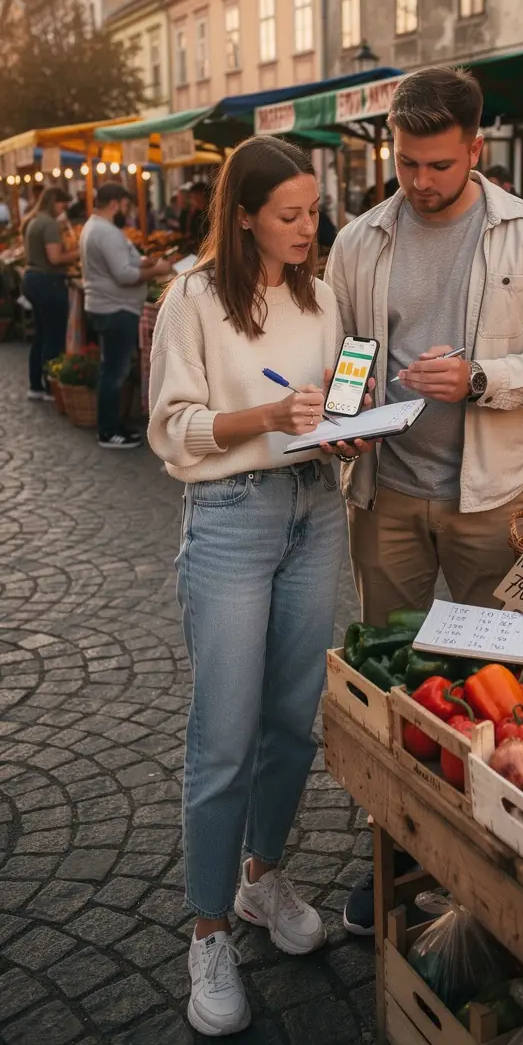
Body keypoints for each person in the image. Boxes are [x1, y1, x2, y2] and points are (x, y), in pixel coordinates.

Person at [326, 65, 523, 934]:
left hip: (491, 497)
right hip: (387, 493)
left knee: (497, 681)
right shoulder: (360, 238)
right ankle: (392, 847)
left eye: (439, 165)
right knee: (391, 681)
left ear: (478, 149)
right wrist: (343, 416)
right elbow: (350, 353)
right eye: (406, 163)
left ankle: (487, 856)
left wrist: (482, 378)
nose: (422, 182)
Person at [147, 136, 372, 1037]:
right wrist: (271, 416)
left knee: (291, 721)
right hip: (232, 517)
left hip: (316, 505)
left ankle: (261, 878)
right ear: (242, 216)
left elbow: (334, 398)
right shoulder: (193, 299)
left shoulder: (320, 297)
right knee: (225, 736)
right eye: (288, 214)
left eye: (313, 211)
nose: (307, 228)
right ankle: (207, 932)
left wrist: (346, 425)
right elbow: (174, 426)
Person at [79, 183, 170, 449]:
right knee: (115, 371)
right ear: (115, 204)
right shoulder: (105, 232)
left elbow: (118, 267)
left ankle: (110, 426)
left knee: (111, 368)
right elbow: (123, 275)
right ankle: (108, 431)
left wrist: (142, 263)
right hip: (115, 309)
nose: (127, 211)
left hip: (107, 306)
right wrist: (157, 270)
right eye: (125, 206)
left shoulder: (93, 227)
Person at [21, 186, 78, 400]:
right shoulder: (49, 223)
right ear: (55, 201)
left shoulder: (34, 220)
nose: (64, 209)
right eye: (63, 204)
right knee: (54, 334)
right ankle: (49, 387)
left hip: (32, 279)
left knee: (42, 334)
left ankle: (35, 384)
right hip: (48, 282)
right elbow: (55, 258)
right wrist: (78, 251)